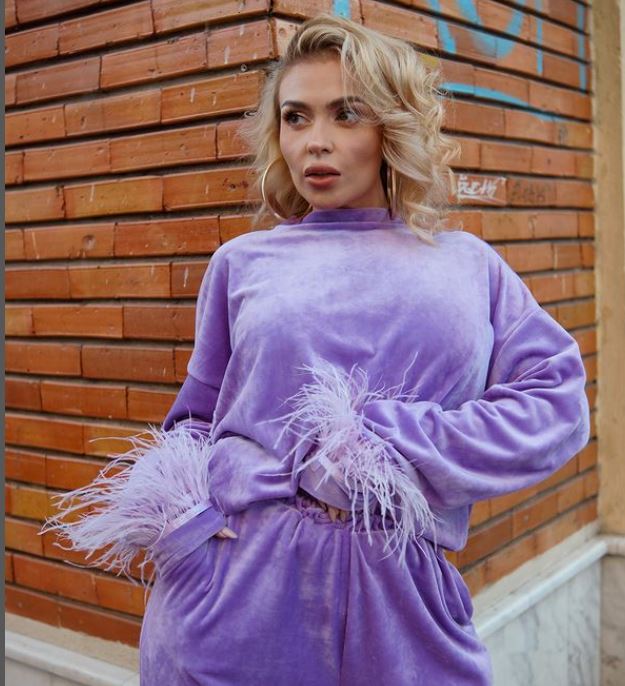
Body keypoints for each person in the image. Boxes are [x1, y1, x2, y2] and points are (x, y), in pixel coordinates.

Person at [41, 13, 591, 685]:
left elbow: (556, 403)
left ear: (392, 127)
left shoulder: (468, 265)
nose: (315, 142)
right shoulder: (242, 262)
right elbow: (196, 417)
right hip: (234, 598)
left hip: (400, 604)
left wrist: (388, 443)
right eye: (295, 118)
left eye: (346, 114)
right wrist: (188, 526)